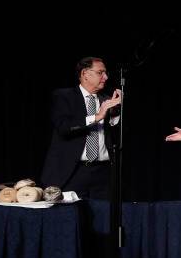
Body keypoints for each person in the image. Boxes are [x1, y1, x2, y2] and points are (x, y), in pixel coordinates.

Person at [41, 56, 121, 199]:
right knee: (70, 218)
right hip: (72, 172)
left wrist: (116, 113)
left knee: (104, 218)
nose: (106, 77)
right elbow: (64, 128)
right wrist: (97, 117)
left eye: (105, 73)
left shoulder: (107, 100)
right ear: (85, 74)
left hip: (103, 173)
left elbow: (118, 137)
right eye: (100, 72)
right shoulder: (63, 96)